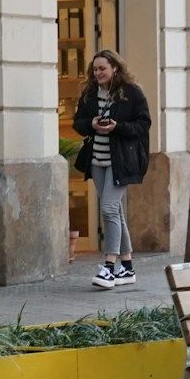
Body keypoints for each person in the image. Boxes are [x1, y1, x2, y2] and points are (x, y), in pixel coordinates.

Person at [71, 49, 152, 290]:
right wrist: (92, 124)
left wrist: (117, 127)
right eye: (95, 69)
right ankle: (127, 267)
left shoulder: (131, 93)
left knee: (107, 209)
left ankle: (109, 266)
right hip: (97, 161)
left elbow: (143, 124)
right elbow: (78, 123)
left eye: (102, 68)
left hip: (121, 162)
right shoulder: (89, 94)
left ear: (115, 68)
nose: (97, 73)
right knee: (114, 210)